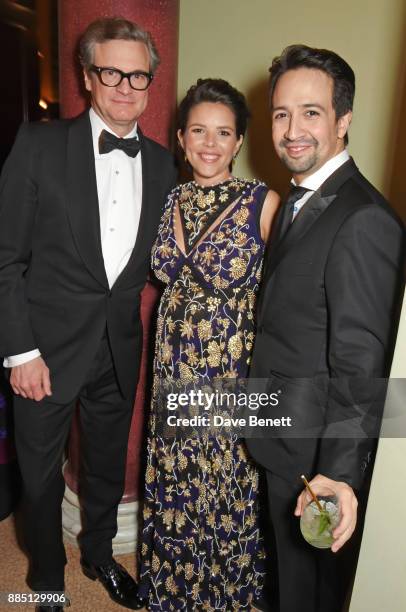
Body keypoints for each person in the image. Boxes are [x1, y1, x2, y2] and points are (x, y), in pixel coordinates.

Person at [0, 17, 176, 612]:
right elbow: (4, 259)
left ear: (150, 81)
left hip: (118, 345)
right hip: (42, 352)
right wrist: (19, 351)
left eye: (138, 74)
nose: (125, 86)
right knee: (41, 472)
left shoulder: (164, 165)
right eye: (111, 71)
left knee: (103, 463)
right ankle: (46, 576)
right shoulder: (38, 144)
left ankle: (98, 554)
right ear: (87, 76)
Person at [246, 45, 405, 612]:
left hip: (316, 457)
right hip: (283, 433)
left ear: (344, 120)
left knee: (309, 593)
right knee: (287, 581)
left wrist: (338, 479)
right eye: (282, 113)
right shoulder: (298, 200)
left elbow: (362, 364)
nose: (292, 130)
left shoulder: (364, 219)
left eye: (311, 112)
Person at [137, 78, 280, 610]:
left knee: (224, 490)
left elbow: (289, 294)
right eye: (199, 130)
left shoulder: (261, 202)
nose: (210, 143)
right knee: (176, 482)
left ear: (240, 141)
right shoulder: (170, 197)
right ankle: (174, 593)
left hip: (228, 376)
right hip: (171, 369)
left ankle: (225, 598)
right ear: (180, 136)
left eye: (224, 132)